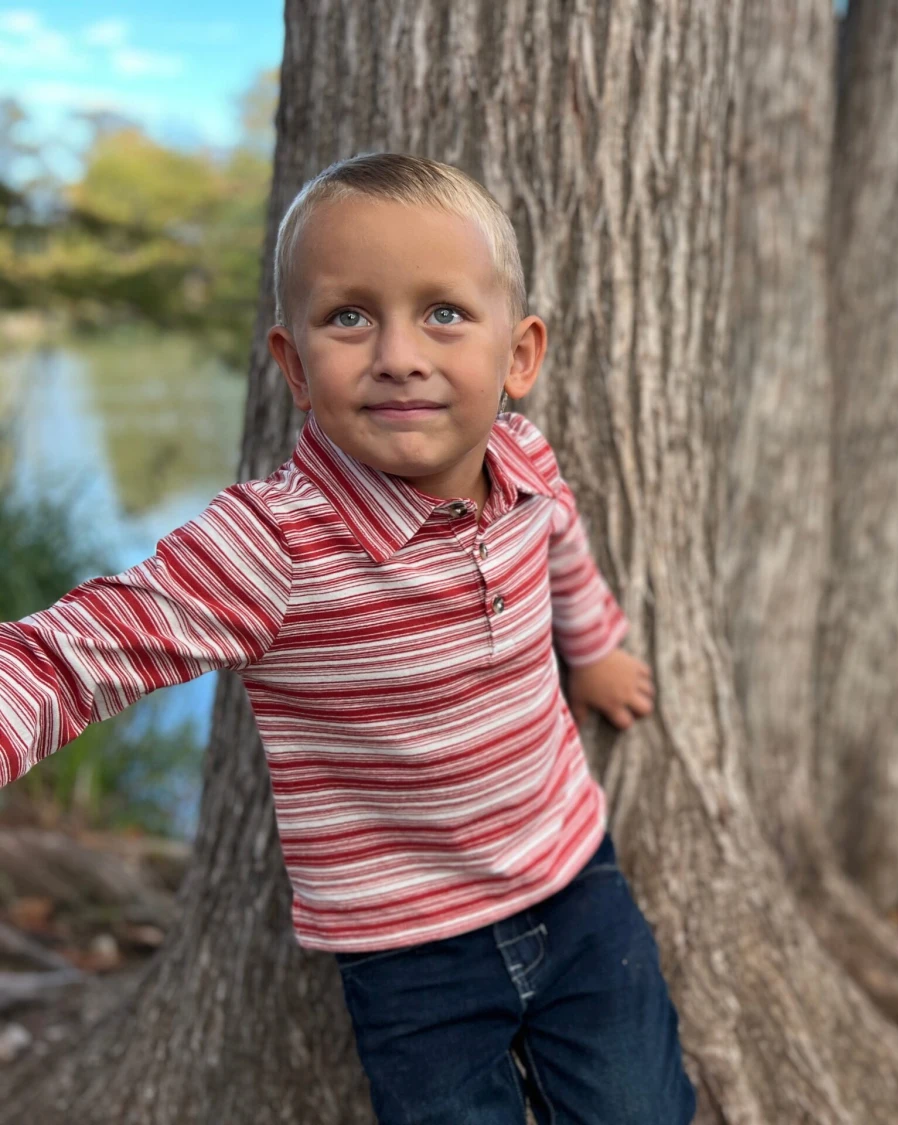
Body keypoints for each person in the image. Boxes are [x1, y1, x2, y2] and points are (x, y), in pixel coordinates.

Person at [0, 152, 696, 1125]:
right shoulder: (269, 544)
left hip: (575, 874)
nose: (400, 354)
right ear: (292, 365)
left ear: (521, 355)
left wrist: (597, 646)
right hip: (411, 952)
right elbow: (70, 655)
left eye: (444, 313)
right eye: (350, 317)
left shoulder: (524, 455)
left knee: (643, 1109)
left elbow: (565, 550)